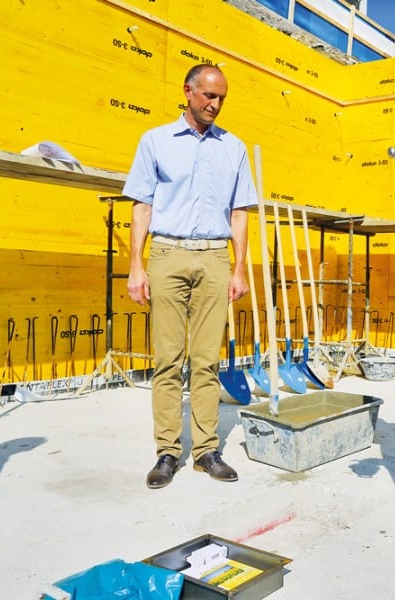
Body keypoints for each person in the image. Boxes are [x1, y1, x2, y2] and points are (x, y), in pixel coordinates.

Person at [123, 64, 257, 489]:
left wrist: (238, 269)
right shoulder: (156, 141)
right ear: (188, 91)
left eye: (221, 98)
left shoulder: (233, 148)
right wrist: (137, 265)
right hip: (167, 253)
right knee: (167, 359)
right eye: (208, 96)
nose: (214, 105)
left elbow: (239, 212)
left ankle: (206, 451)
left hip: (215, 258)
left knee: (206, 361)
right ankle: (167, 451)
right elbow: (142, 205)